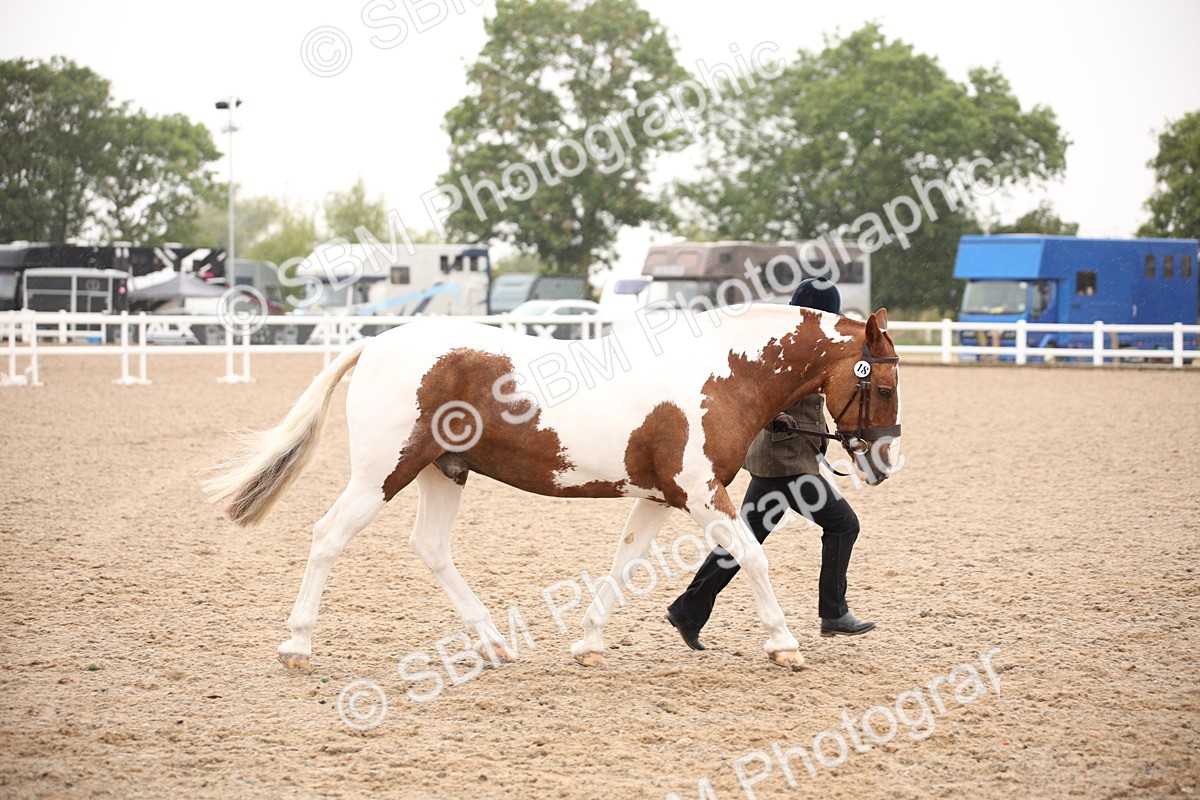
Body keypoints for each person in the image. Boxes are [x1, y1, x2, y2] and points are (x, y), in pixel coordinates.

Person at [665, 278, 875, 652]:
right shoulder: (785, 345)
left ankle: (689, 609)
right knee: (844, 525)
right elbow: (756, 388)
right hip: (786, 460)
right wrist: (776, 414)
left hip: (783, 456)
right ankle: (833, 612)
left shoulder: (807, 343)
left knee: (743, 539)